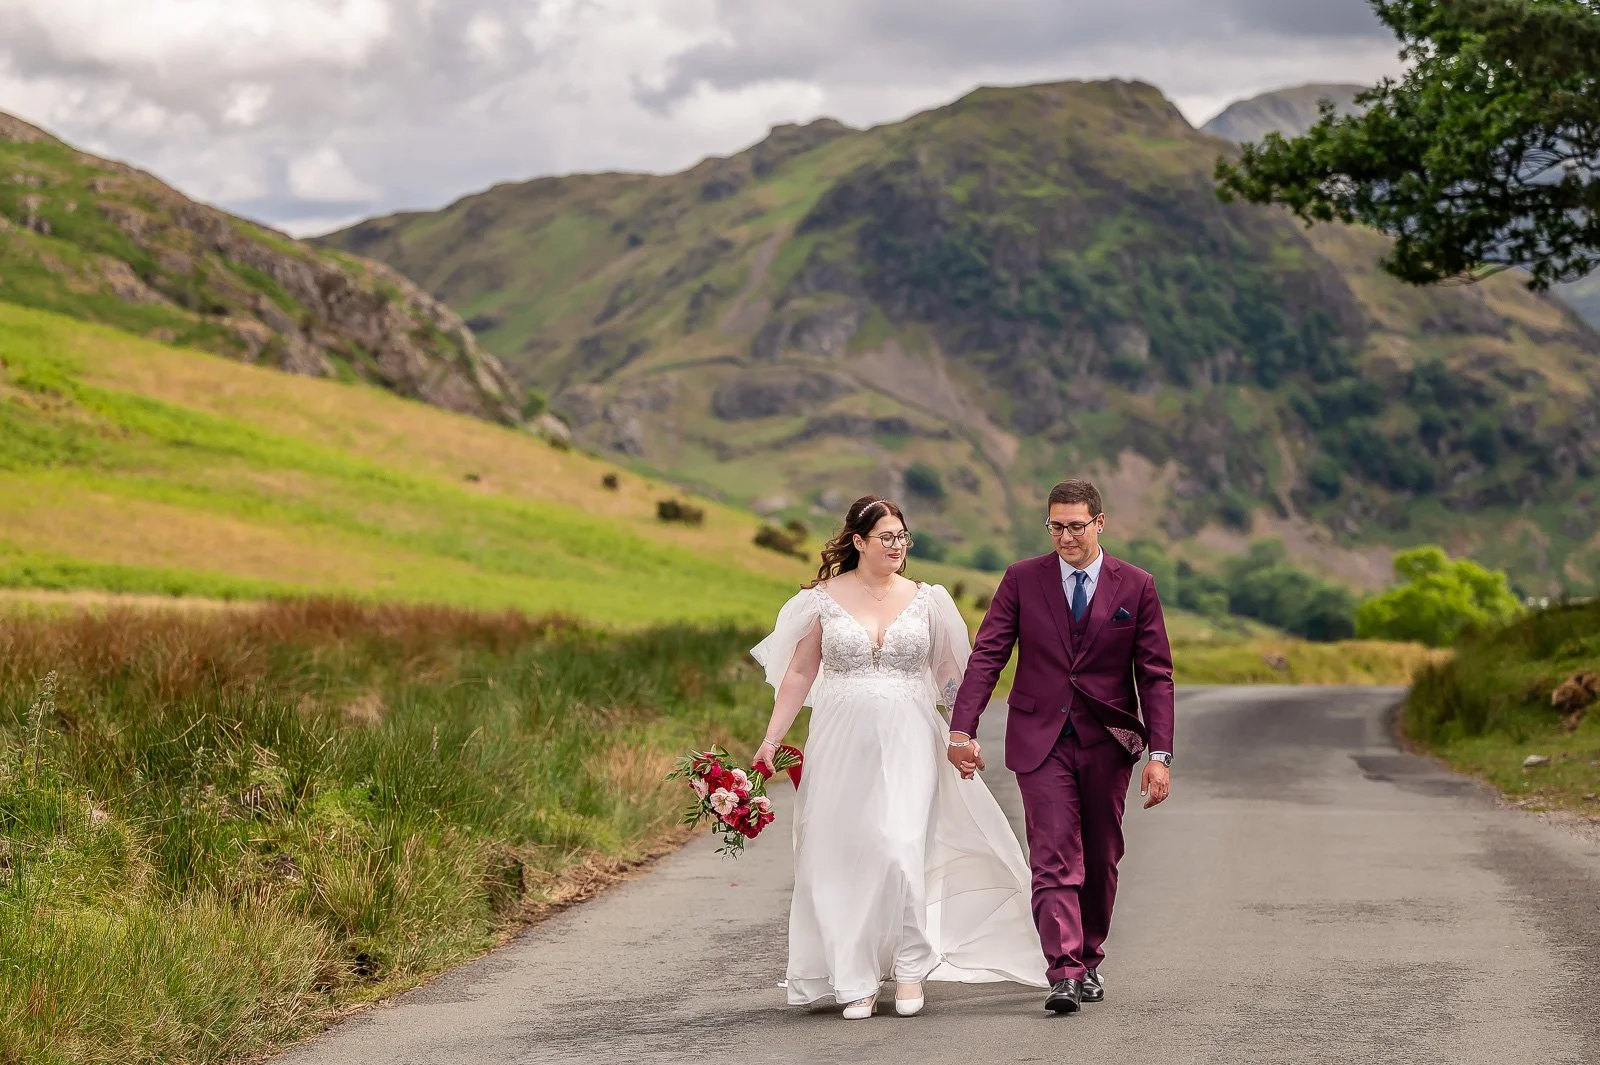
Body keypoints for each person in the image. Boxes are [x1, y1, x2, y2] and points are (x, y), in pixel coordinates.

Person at [750, 496, 1047, 1019]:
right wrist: (772, 741)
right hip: (842, 741)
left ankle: (911, 967)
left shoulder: (928, 600)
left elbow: (954, 675)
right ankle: (856, 978)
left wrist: (964, 735)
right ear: (859, 542)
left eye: (903, 537)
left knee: (899, 847)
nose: (897, 547)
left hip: (912, 736)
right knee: (842, 858)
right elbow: (798, 674)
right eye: (886, 537)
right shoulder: (822, 600)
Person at [948, 478, 1175, 1014]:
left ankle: (1090, 957)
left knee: (1101, 855)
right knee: (1052, 856)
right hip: (1039, 739)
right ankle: (1063, 971)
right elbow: (988, 655)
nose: (1065, 537)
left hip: (1108, 743)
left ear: (1100, 523)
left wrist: (1160, 755)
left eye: (1076, 526)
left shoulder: (1136, 585)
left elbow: (1156, 674)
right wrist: (963, 729)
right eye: (1056, 526)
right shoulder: (1022, 579)